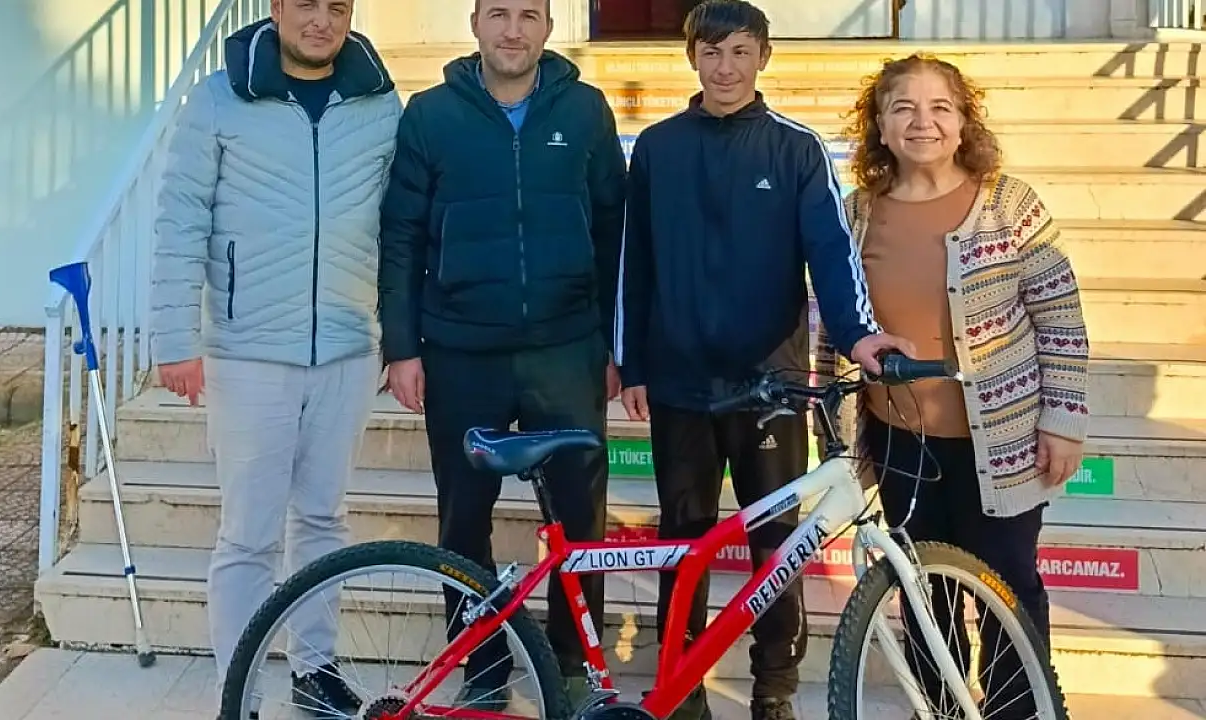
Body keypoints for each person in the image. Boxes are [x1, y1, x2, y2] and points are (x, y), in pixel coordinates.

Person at [615, 3, 915, 720]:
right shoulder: (657, 147)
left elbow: (831, 254)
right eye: (711, 52)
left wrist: (859, 335)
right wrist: (632, 364)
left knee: (776, 548)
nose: (725, 68)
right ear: (692, 57)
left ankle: (773, 690)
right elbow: (634, 262)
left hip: (772, 389)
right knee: (683, 542)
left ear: (764, 57)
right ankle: (680, 688)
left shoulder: (795, 149)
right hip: (681, 386)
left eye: (740, 52)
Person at [814, 52, 1090, 718]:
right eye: (903, 108)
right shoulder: (855, 214)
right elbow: (832, 326)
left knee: (1007, 587)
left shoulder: (1009, 204)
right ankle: (938, 707)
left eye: (940, 107)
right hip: (901, 442)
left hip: (1004, 441)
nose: (923, 122)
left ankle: (1017, 710)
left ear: (964, 122)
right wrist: (830, 428)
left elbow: (1061, 320)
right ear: (880, 126)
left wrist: (1063, 421)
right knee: (920, 591)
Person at [149, 1, 402, 716]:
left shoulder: (379, 99)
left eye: (336, 7)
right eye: (305, 5)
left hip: (348, 346)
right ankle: (242, 690)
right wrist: (176, 341)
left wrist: (399, 336)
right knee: (248, 535)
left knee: (324, 520)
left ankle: (315, 671)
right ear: (276, 8)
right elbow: (180, 220)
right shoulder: (220, 97)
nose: (320, 21)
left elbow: (399, 223)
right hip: (248, 350)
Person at [377, 0, 627, 711]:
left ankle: (572, 665)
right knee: (463, 521)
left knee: (579, 519)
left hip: (566, 349)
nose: (512, 30)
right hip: (461, 351)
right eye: (498, 14)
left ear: (547, 26)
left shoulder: (584, 109)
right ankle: (482, 667)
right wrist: (402, 348)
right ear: (475, 24)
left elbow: (615, 231)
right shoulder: (431, 115)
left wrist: (615, 345)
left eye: (527, 15)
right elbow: (402, 235)